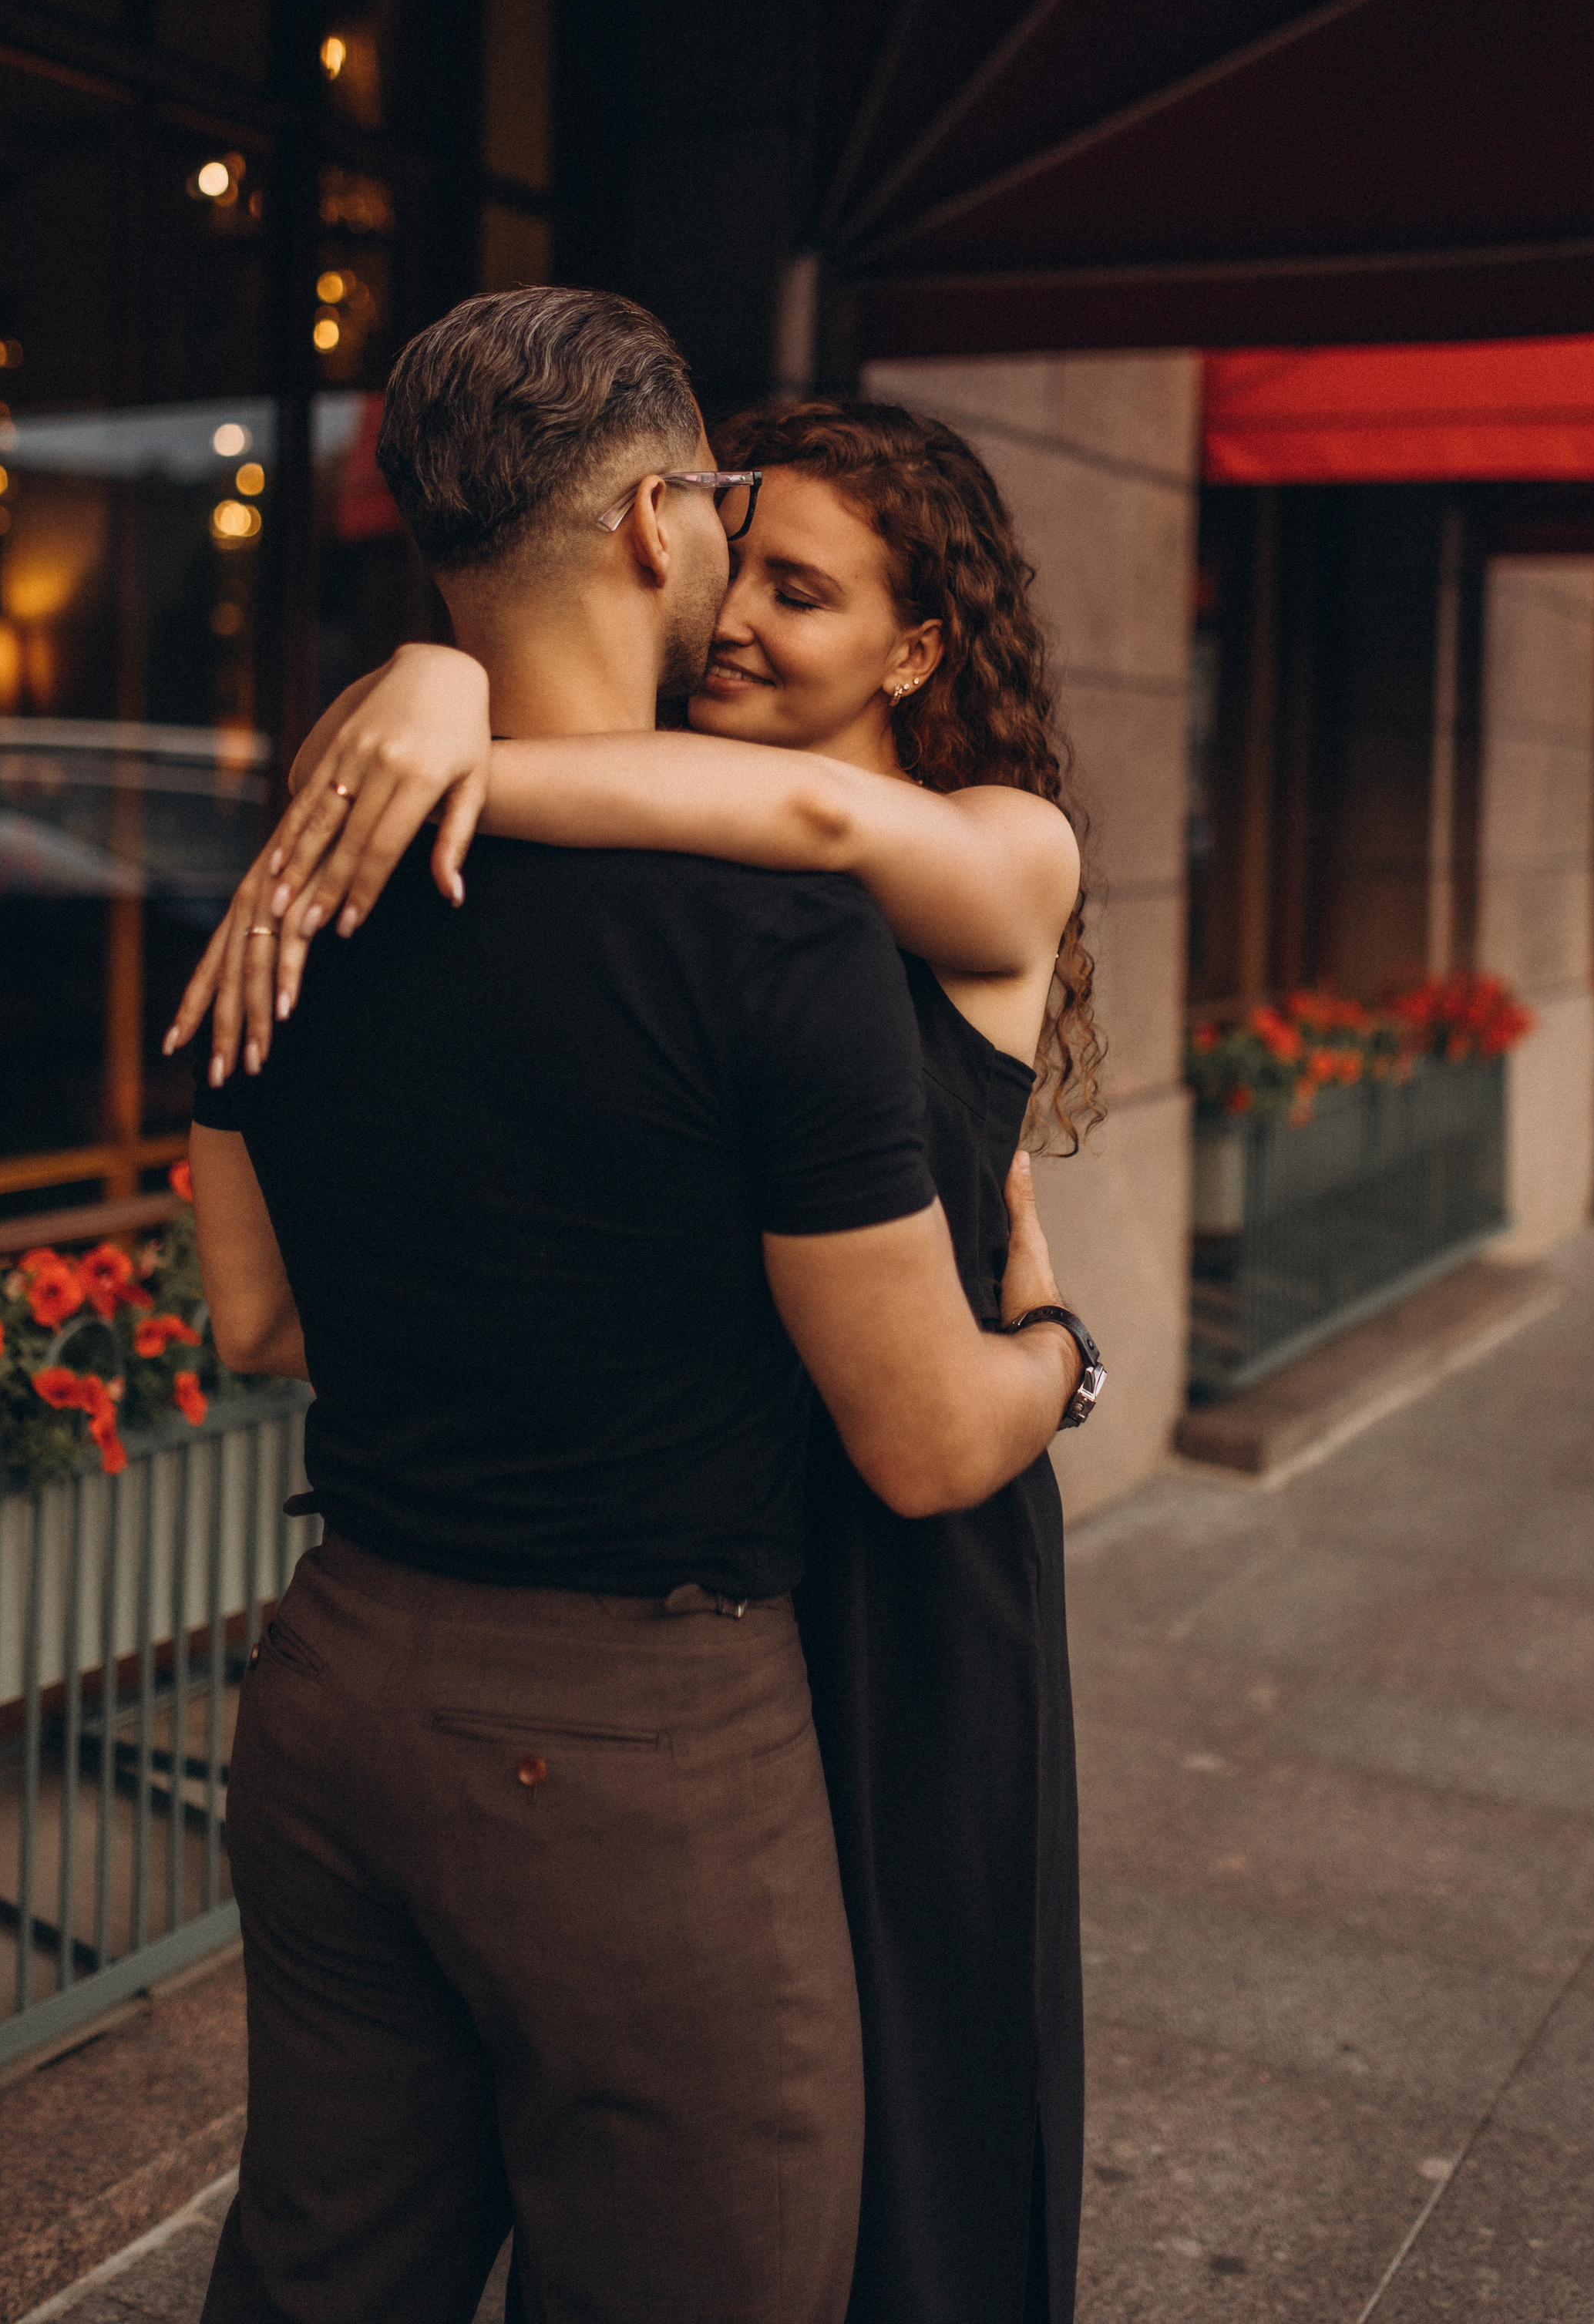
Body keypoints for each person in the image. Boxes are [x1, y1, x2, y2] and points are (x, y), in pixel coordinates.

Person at [183, 291, 1098, 2324]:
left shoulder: (335, 879)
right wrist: (1069, 1352)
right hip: (673, 1671)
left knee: (337, 2257)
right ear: (657, 528)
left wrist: (429, 710)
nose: (753, 607)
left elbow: (253, 1317)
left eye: (814, 582)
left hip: (388, 1651)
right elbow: (929, 1426)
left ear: (922, 646)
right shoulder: (762, 940)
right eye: (739, 545)